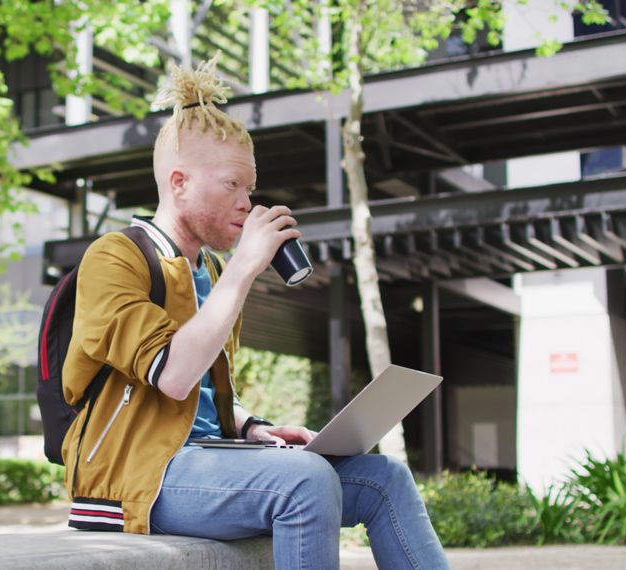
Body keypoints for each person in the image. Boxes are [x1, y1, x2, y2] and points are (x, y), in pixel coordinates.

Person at [61, 55, 448, 570]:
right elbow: (174, 377)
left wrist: (248, 428)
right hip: (138, 474)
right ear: (179, 183)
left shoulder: (214, 272)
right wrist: (245, 269)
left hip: (208, 461)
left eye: (250, 187)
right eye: (231, 185)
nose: (247, 203)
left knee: (384, 479)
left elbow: (203, 397)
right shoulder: (115, 256)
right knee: (304, 482)